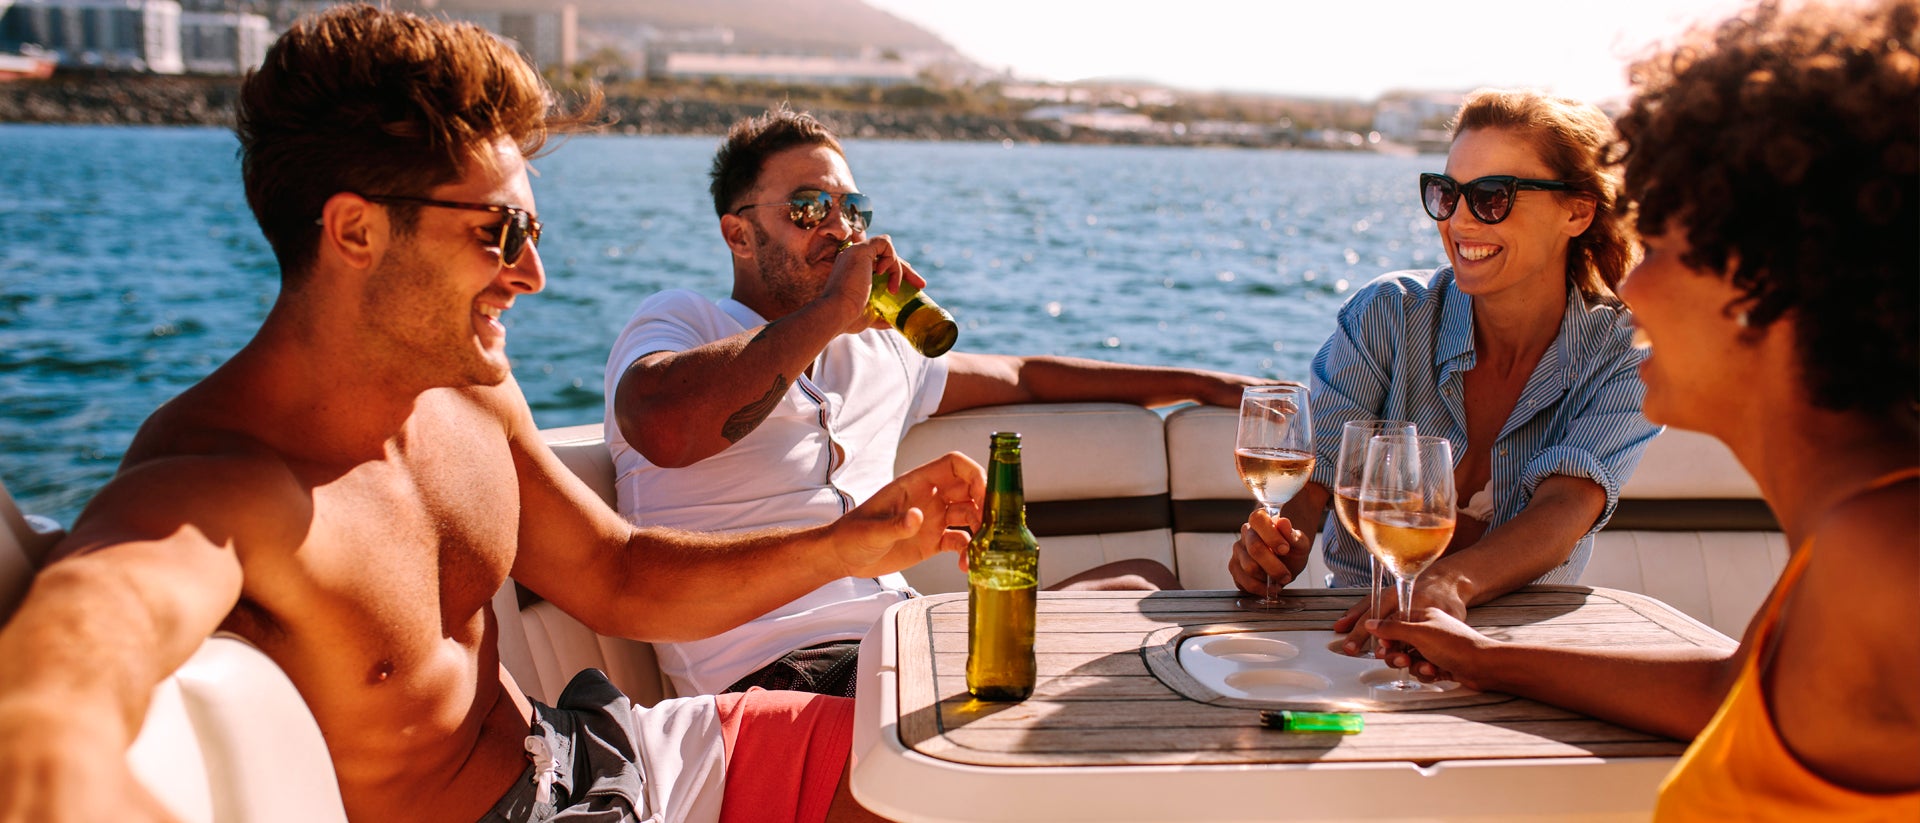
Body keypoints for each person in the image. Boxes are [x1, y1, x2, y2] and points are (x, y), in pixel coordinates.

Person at [0, 7, 987, 823]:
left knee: (959, 765)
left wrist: (854, 543)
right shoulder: (216, 486)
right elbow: (62, 679)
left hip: (605, 753)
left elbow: (618, 574)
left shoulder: (468, 394)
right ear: (354, 230)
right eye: (500, 231)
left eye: (533, 228)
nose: (533, 273)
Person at [1370, 0, 1919, 817]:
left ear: (1764, 280)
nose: (1630, 283)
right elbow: (1724, 691)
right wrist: (1485, 660)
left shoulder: (1888, 564)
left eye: (1659, 246)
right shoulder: (1850, 543)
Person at [604, 106, 1264, 697]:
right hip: (778, 676)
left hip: (898, 641)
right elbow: (666, 426)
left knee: (1141, 589)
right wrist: (836, 310)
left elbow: (1026, 377)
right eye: (809, 209)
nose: (840, 229)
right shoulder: (683, 323)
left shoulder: (878, 352)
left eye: (852, 210)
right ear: (738, 234)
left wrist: (1201, 385)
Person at [1228, 89, 1660, 652]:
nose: (1457, 220)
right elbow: (1320, 476)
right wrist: (1281, 543)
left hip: (1525, 652)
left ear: (1577, 211)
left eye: (1492, 197)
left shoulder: (1623, 350)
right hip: (1361, 637)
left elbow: (1566, 507)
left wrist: (1445, 585)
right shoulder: (1388, 313)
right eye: (1447, 193)